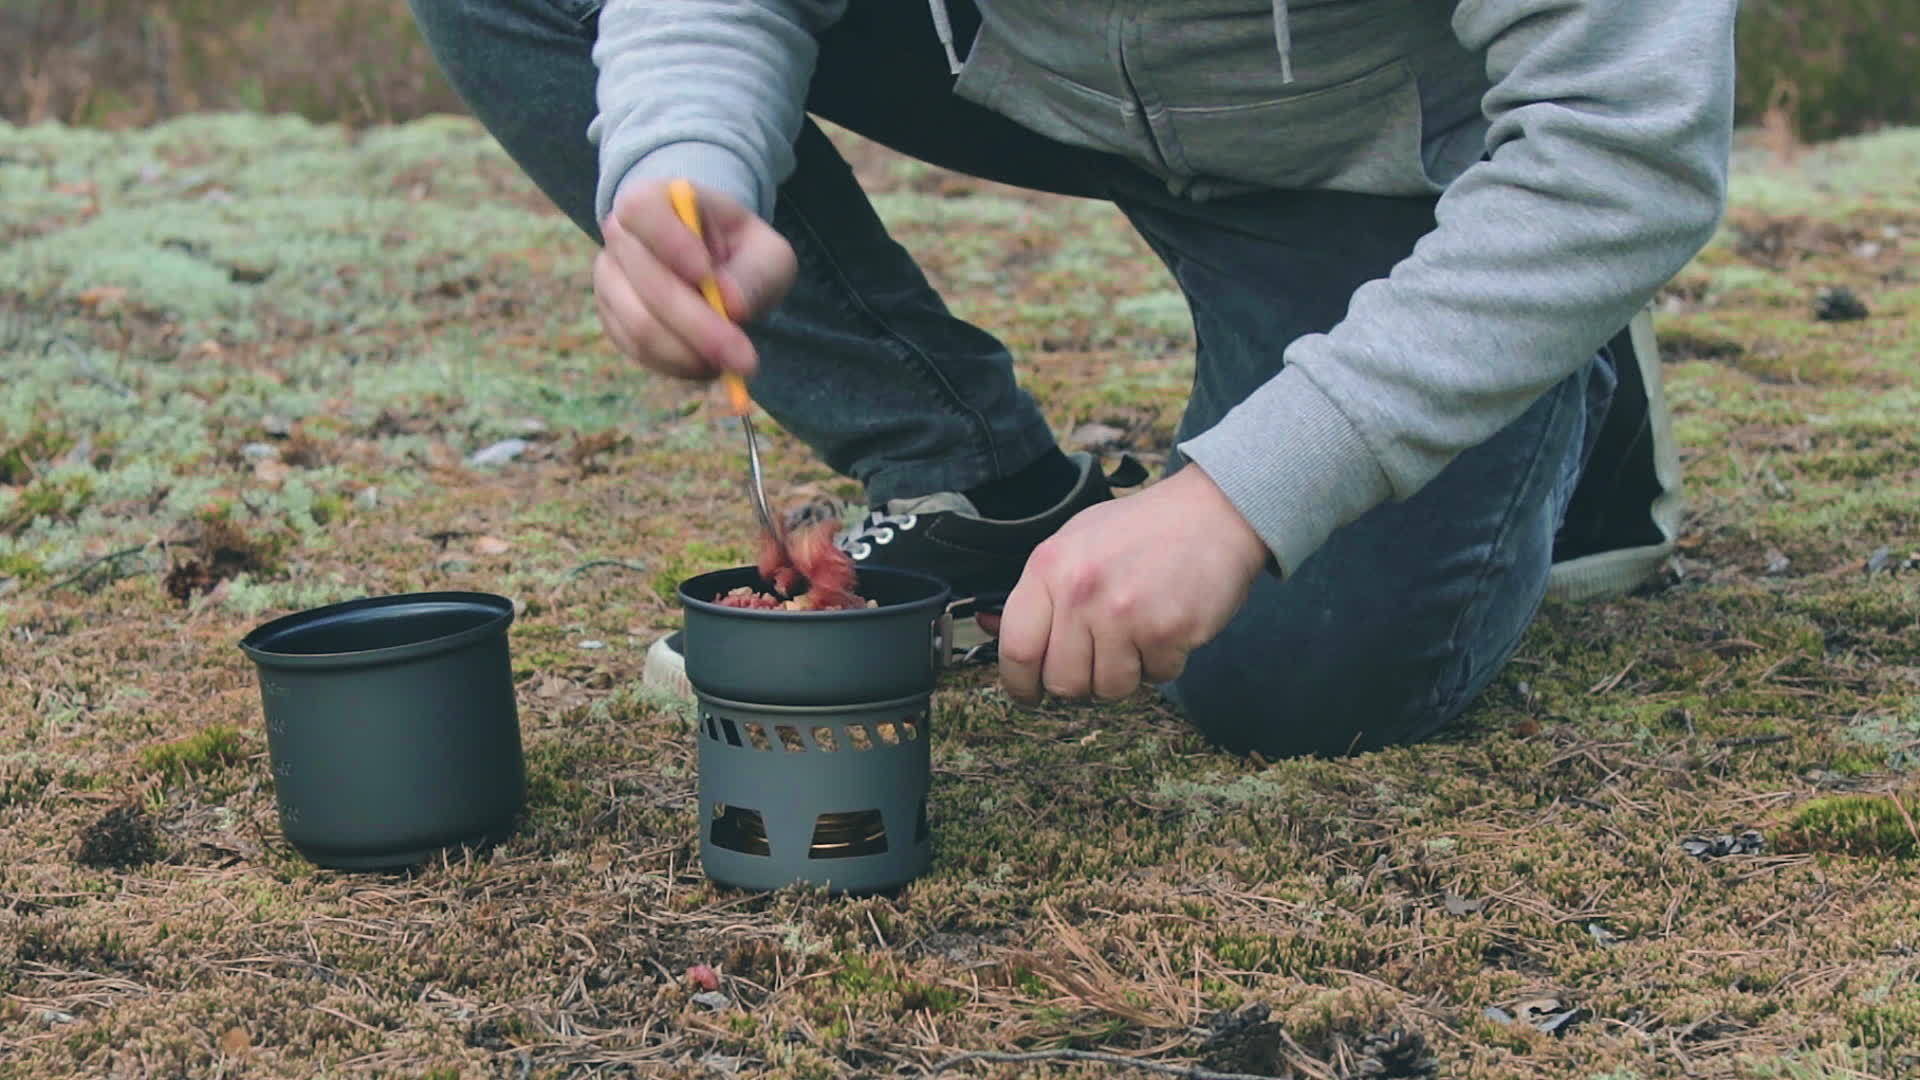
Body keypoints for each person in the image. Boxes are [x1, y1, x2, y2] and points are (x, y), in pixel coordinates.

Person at [407, 0, 1733, 759]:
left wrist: (1238, 502)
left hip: (1373, 153)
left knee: (1291, 683)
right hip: (1027, 68)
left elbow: (1628, 138)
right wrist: (678, 156)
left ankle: (1549, 329)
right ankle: (975, 480)